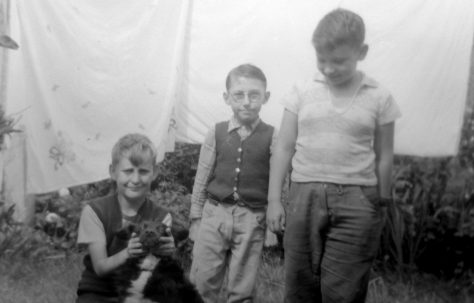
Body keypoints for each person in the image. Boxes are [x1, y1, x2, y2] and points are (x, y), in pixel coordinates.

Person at [266, 8, 402, 303]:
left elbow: (385, 155)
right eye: (321, 60)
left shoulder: (379, 96)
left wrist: (382, 199)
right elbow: (284, 146)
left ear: (361, 52)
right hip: (303, 196)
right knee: (300, 286)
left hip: (358, 201)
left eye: (339, 61)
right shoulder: (301, 91)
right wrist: (275, 200)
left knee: (344, 291)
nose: (328, 68)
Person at [189, 63, 277, 303]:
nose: (246, 102)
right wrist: (196, 218)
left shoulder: (272, 136)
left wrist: (272, 226)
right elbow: (202, 176)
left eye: (254, 95)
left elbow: (279, 185)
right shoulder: (216, 132)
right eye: (239, 95)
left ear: (265, 97)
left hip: (252, 219)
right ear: (227, 98)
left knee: (242, 289)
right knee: (201, 282)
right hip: (214, 214)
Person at [75, 133, 176, 302]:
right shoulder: (94, 211)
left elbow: (159, 269)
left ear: (155, 173)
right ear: (113, 172)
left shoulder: (162, 216)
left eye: (143, 171)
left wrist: (167, 251)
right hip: (98, 291)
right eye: (128, 171)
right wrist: (127, 253)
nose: (135, 179)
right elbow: (100, 268)